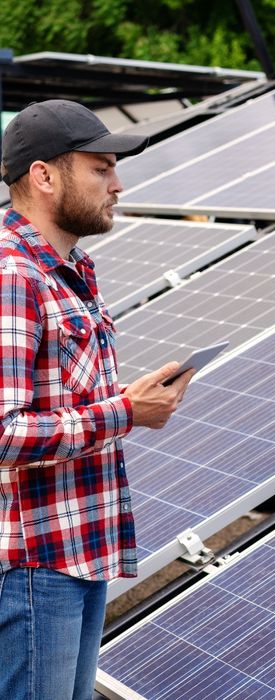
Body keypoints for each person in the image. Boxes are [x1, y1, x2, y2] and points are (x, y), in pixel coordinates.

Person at [0, 100, 195, 700]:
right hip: (37, 562)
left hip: (82, 546)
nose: (118, 184)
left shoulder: (71, 269)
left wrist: (131, 400)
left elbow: (60, 399)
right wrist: (126, 412)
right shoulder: (13, 276)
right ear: (44, 175)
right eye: (101, 168)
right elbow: (4, 432)